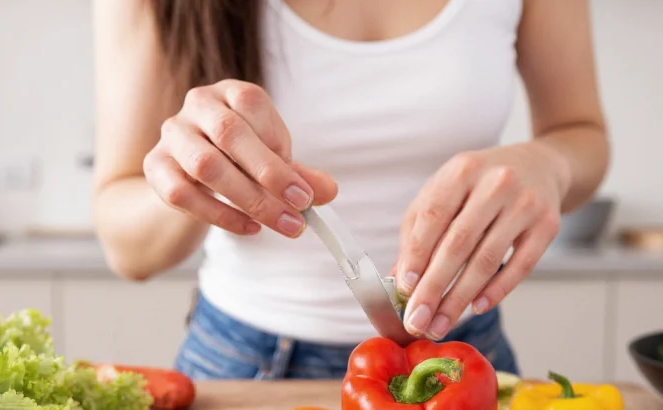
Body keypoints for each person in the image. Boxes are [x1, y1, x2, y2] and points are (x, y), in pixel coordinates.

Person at [91, 0, 609, 380]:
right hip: (239, 364)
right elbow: (127, 250)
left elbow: (582, 135)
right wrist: (201, 176)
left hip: (462, 358)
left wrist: (549, 161)